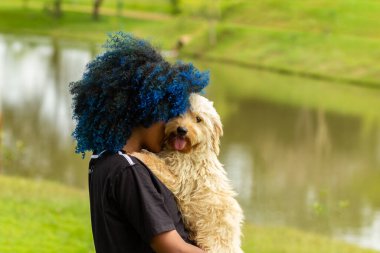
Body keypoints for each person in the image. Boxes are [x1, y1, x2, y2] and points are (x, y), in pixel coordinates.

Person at [70, 32, 209, 253]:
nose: (170, 128)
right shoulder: (128, 169)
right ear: (150, 110)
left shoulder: (103, 158)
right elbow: (173, 249)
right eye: (170, 114)